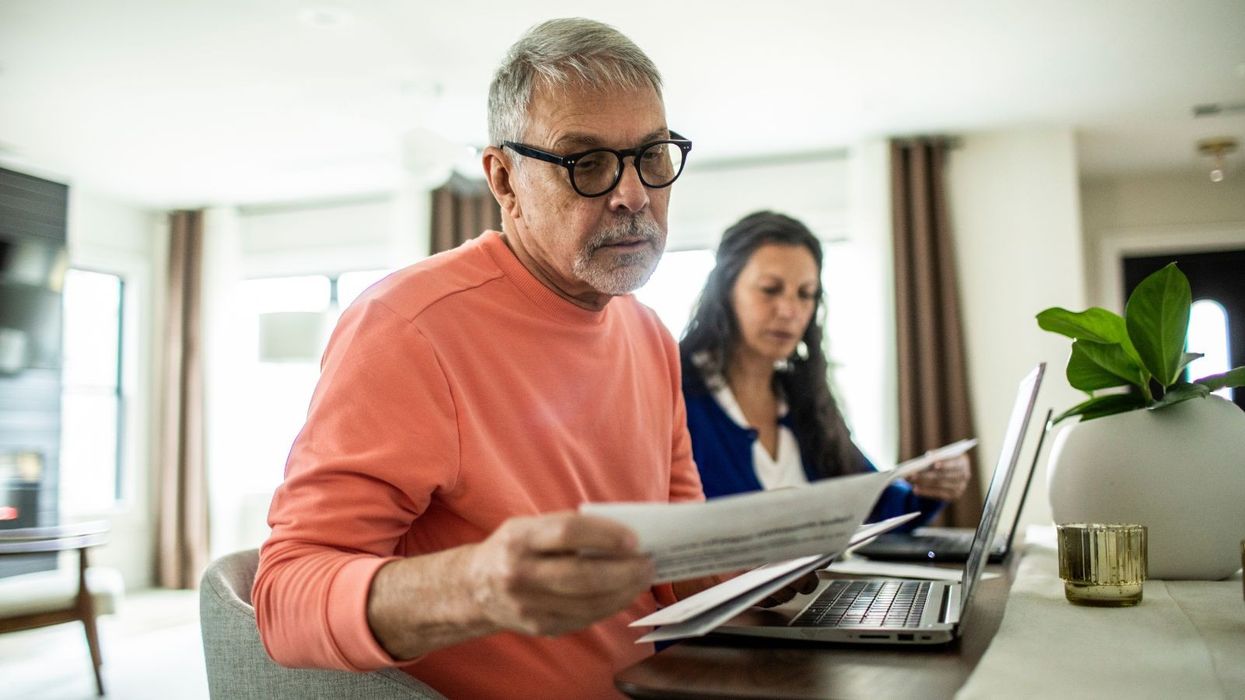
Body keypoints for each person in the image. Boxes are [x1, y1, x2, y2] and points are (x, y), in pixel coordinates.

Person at [253, 18, 718, 699]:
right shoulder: (408, 329)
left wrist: (796, 558)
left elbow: (680, 564)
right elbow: (284, 602)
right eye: (586, 163)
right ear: (504, 180)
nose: (633, 194)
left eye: (651, 155)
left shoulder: (649, 335)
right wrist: (476, 586)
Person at [679, 211, 971, 525]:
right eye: (770, 289)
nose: (790, 310)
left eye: (806, 294)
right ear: (725, 291)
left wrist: (933, 485)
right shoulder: (678, 390)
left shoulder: (804, 400)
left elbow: (875, 504)